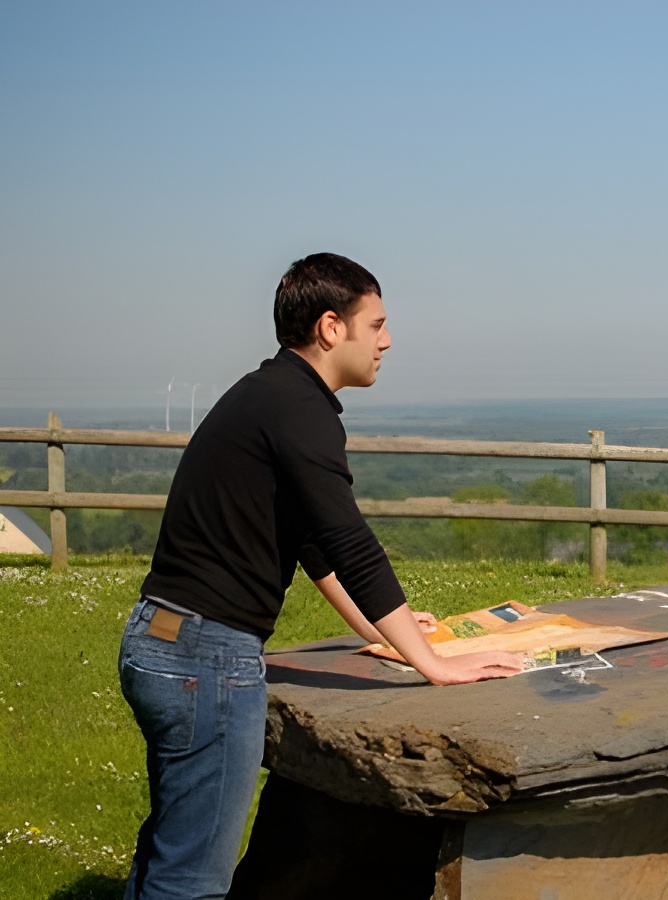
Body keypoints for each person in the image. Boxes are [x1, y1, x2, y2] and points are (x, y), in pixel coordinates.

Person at [117, 253, 522, 899]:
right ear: (332, 327)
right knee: (192, 880)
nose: (387, 340)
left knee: (171, 849)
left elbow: (310, 542)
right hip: (206, 657)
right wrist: (434, 665)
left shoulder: (271, 394)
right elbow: (348, 541)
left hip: (165, 640)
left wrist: (381, 632)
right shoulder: (298, 409)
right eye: (376, 324)